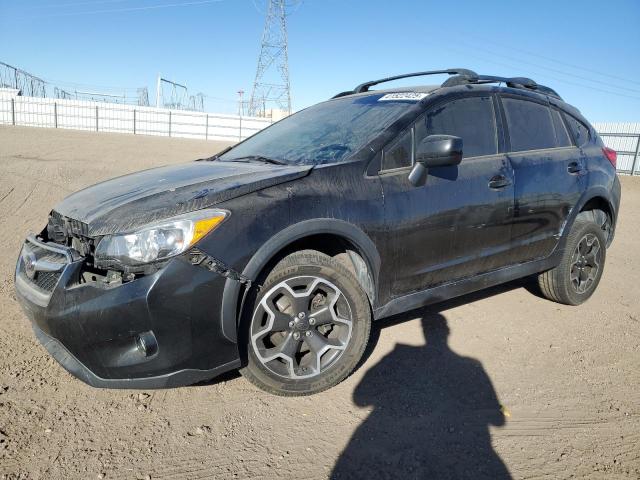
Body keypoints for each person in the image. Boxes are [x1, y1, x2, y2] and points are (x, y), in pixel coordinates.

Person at [331, 313, 511, 479]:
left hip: (393, 449)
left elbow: (360, 398)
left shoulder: (398, 354)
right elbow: (498, 420)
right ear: (448, 332)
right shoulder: (472, 366)